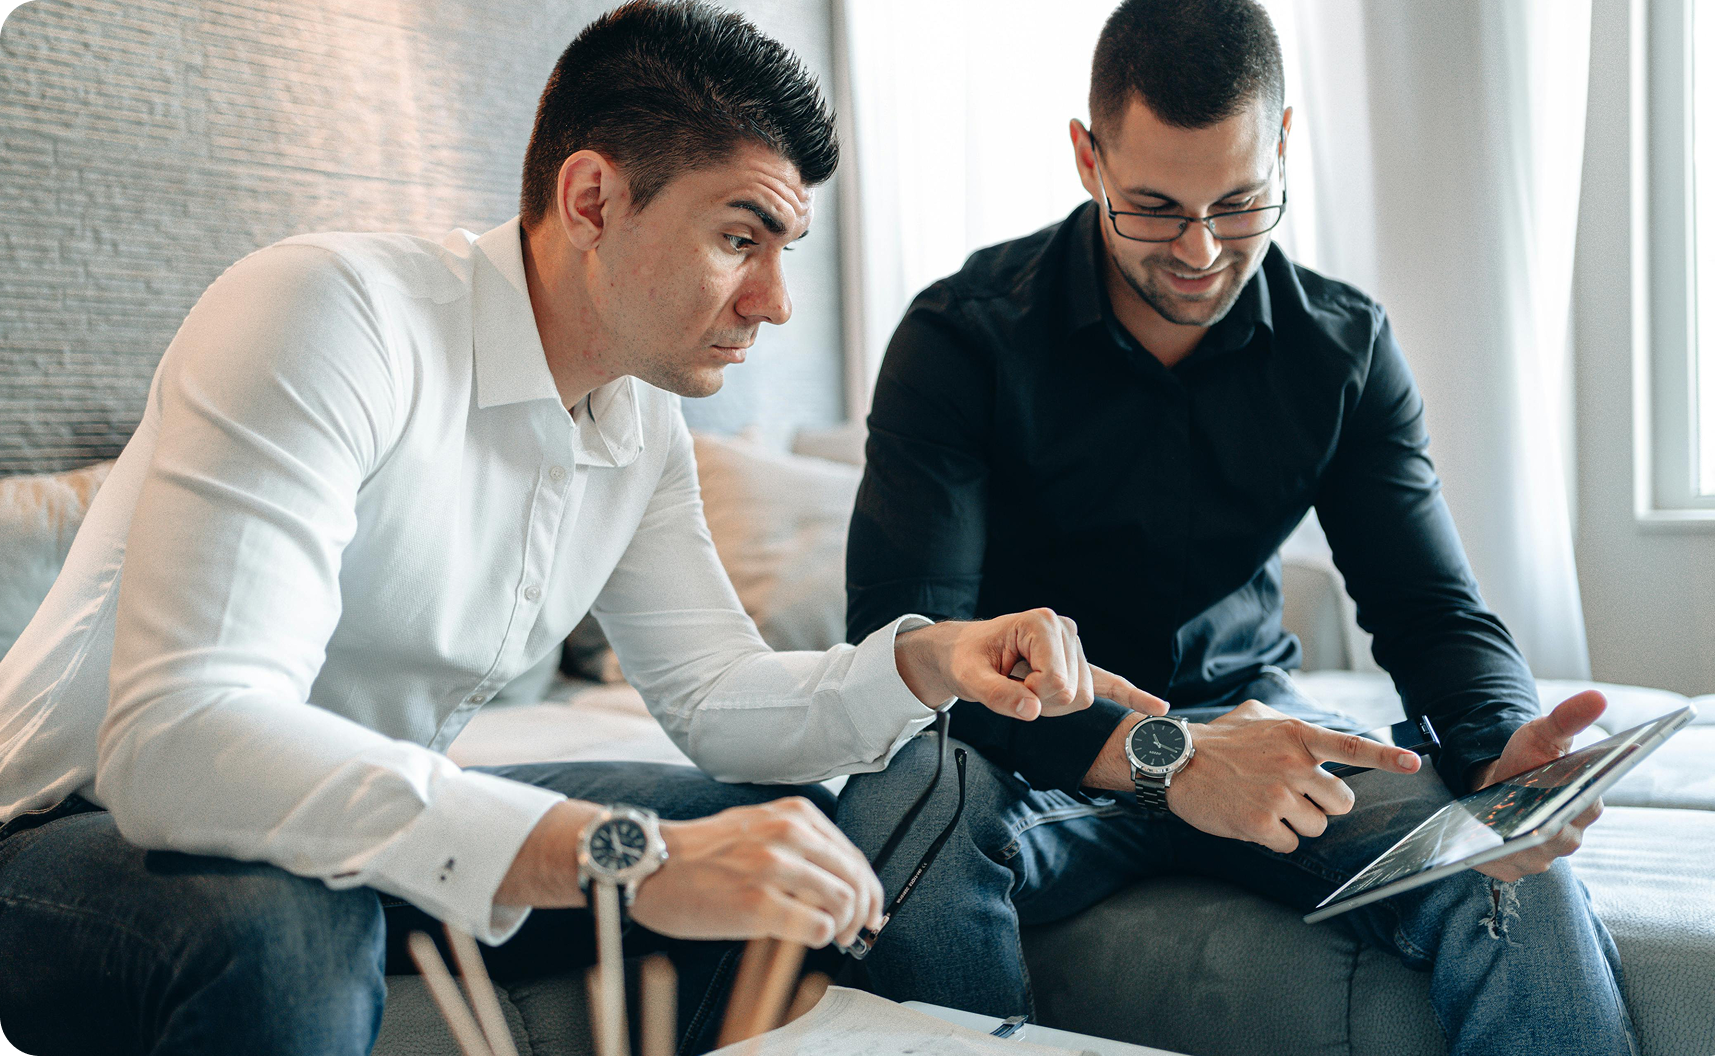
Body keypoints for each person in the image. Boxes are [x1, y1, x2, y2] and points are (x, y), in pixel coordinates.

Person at [0, 4, 1169, 1054]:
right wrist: (625, 858)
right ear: (593, 199)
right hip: (79, 829)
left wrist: (926, 661)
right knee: (289, 917)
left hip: (363, 815)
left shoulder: (638, 425)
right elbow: (185, 741)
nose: (773, 302)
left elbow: (716, 694)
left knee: (774, 845)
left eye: (784, 252)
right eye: (739, 238)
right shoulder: (330, 313)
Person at [834, 2, 1635, 1054]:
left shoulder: (1340, 348)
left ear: (1284, 145)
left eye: (1240, 202)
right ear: (1087, 158)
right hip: (1024, 752)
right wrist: (1170, 756)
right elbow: (905, 652)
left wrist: (1499, 757)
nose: (1202, 251)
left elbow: (1429, 609)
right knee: (899, 802)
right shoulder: (960, 338)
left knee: (1506, 866)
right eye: (1154, 208)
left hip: (1261, 732)